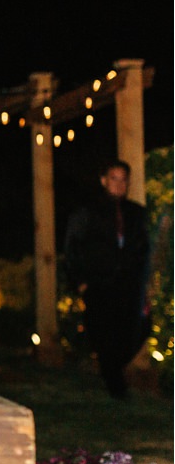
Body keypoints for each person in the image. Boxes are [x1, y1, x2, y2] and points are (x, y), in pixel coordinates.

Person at [64, 159, 151, 399]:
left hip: (128, 285)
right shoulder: (87, 212)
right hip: (98, 284)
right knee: (104, 332)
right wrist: (80, 281)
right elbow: (72, 247)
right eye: (114, 178)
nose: (119, 184)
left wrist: (143, 283)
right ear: (104, 180)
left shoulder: (136, 213)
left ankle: (112, 368)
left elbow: (143, 249)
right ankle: (116, 386)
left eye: (124, 179)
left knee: (139, 327)